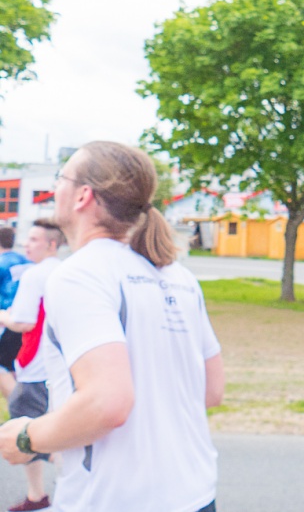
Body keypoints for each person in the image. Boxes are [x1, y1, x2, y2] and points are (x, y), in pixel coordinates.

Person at [0, 142, 224, 512]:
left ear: (83, 196)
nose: (55, 189)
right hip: (195, 495)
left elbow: (107, 403)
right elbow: (211, 390)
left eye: (61, 179)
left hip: (113, 499)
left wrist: (27, 437)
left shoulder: (79, 274)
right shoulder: (178, 275)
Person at [0, 219, 65, 511]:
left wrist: (3, 316)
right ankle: (37, 495)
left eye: (35, 239)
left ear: (52, 244)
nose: (27, 244)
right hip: (59, 367)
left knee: (26, 436)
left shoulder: (36, 275)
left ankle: (56, 490)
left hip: (35, 365)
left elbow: (23, 321)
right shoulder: (67, 272)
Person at [0, 227, 31, 398]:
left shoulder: (2, 263)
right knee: (13, 366)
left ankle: (18, 406)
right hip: (25, 318)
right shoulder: (26, 261)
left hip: (7, 320)